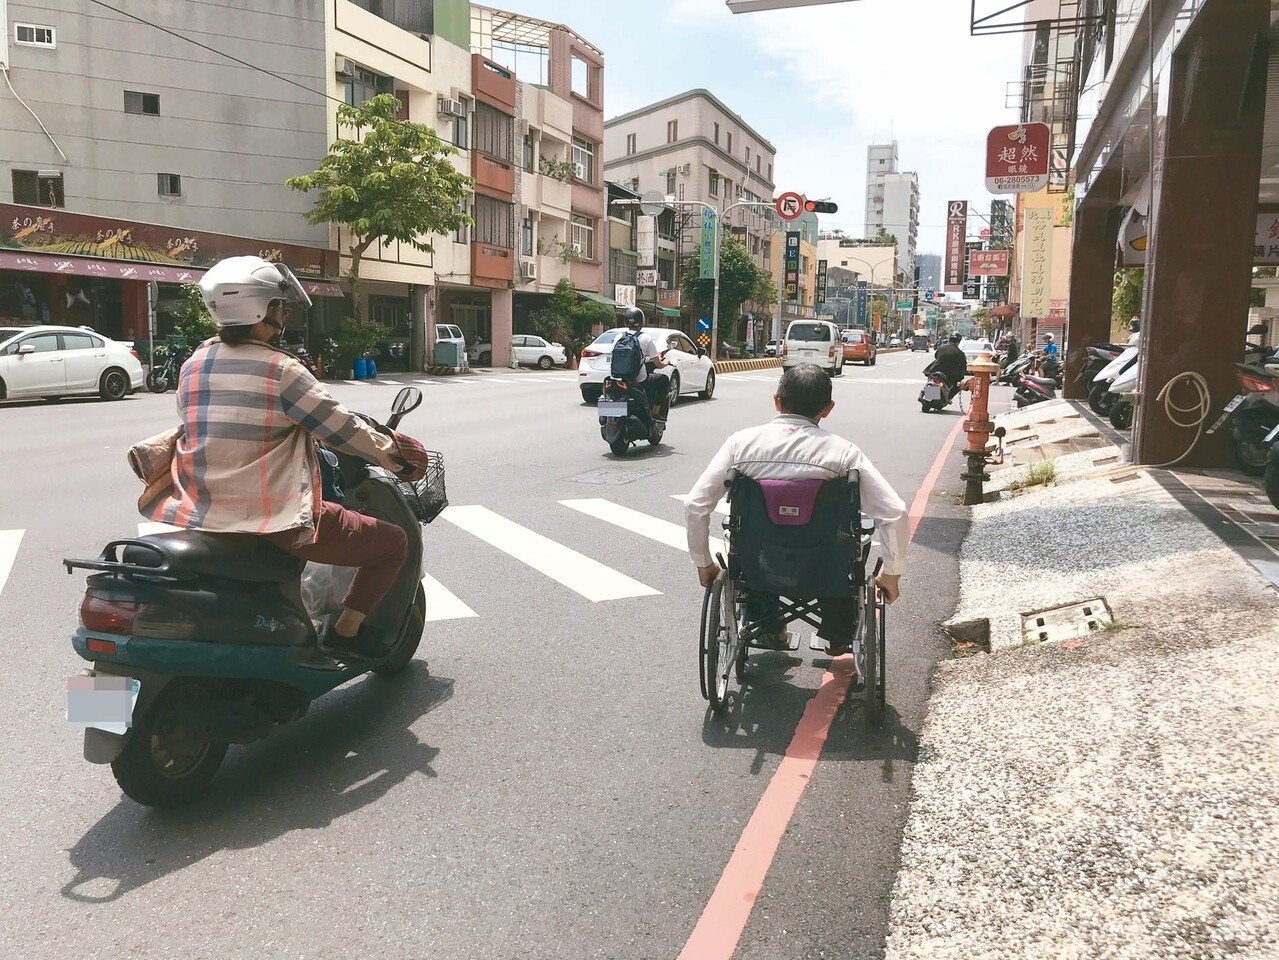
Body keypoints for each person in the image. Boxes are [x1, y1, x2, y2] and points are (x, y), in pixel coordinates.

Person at [139, 256, 422, 663]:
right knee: (393, 543)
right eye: (278, 306)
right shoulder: (281, 370)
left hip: (194, 514)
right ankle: (345, 634)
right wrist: (394, 456)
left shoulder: (194, 364)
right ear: (262, 309)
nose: (283, 316)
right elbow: (341, 428)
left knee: (97, 702)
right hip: (271, 521)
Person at [684, 364, 907, 663]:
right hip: (825, 566)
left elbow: (696, 504)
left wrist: (703, 563)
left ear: (777, 400)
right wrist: (891, 573)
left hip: (759, 564)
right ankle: (838, 634)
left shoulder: (740, 445)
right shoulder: (844, 454)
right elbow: (894, 512)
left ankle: (770, 627)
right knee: (848, 545)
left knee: (752, 543)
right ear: (827, 409)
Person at [620, 306, 670, 425]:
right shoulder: (646, 338)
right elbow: (657, 363)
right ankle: (656, 413)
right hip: (639, 381)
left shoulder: (619, 337)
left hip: (619, 379)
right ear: (641, 321)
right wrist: (665, 363)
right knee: (664, 380)